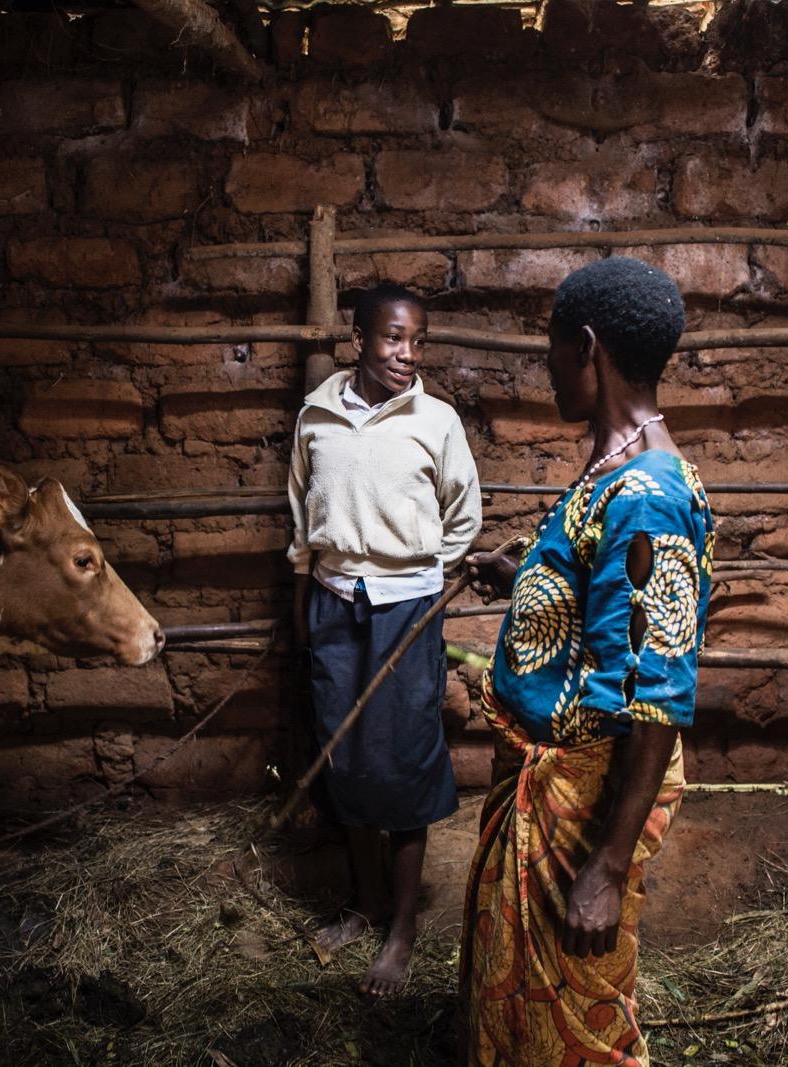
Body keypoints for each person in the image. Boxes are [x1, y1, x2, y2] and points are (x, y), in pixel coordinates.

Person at [459, 257, 714, 1065]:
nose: (548, 368)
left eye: (551, 349)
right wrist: (527, 577)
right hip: (549, 772)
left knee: (579, 1006)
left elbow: (655, 694)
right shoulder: (615, 464)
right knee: (536, 1003)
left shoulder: (647, 494)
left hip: (581, 790)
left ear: (587, 348)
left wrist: (604, 865)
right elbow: (608, 608)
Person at [287, 282, 483, 996]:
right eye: (394, 337)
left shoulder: (436, 421)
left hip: (409, 611)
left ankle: (401, 928)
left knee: (402, 761)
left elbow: (464, 515)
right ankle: (364, 903)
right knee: (344, 759)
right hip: (336, 609)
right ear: (360, 338)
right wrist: (306, 620)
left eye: (417, 340)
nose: (407, 353)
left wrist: (423, 574)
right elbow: (303, 533)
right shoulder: (317, 418)